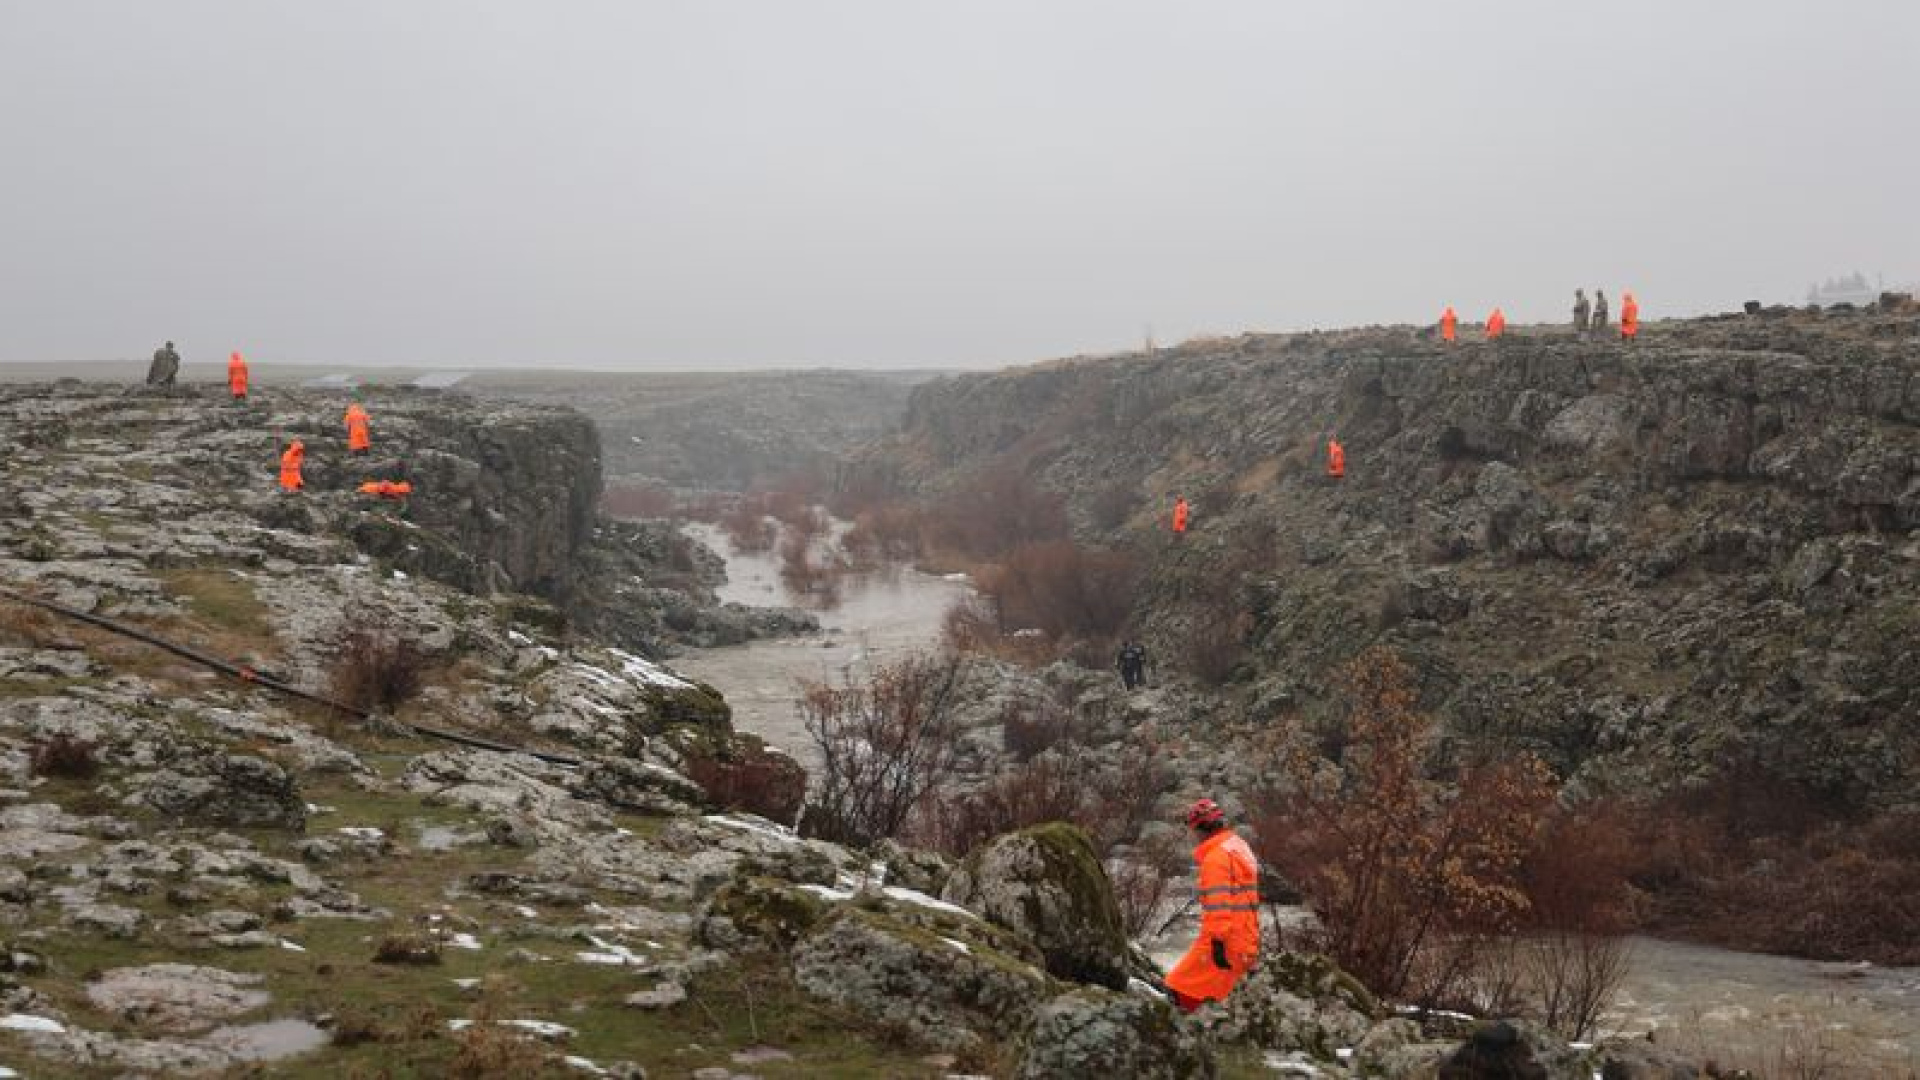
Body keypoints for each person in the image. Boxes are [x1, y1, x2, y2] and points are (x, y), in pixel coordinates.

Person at [1164, 798, 1261, 1013]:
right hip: (1246, 940)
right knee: (1222, 998)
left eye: (1193, 831)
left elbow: (1219, 906)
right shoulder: (1239, 848)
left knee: (1178, 987)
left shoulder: (1216, 858)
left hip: (1224, 941)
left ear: (1201, 829)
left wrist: (1217, 943)